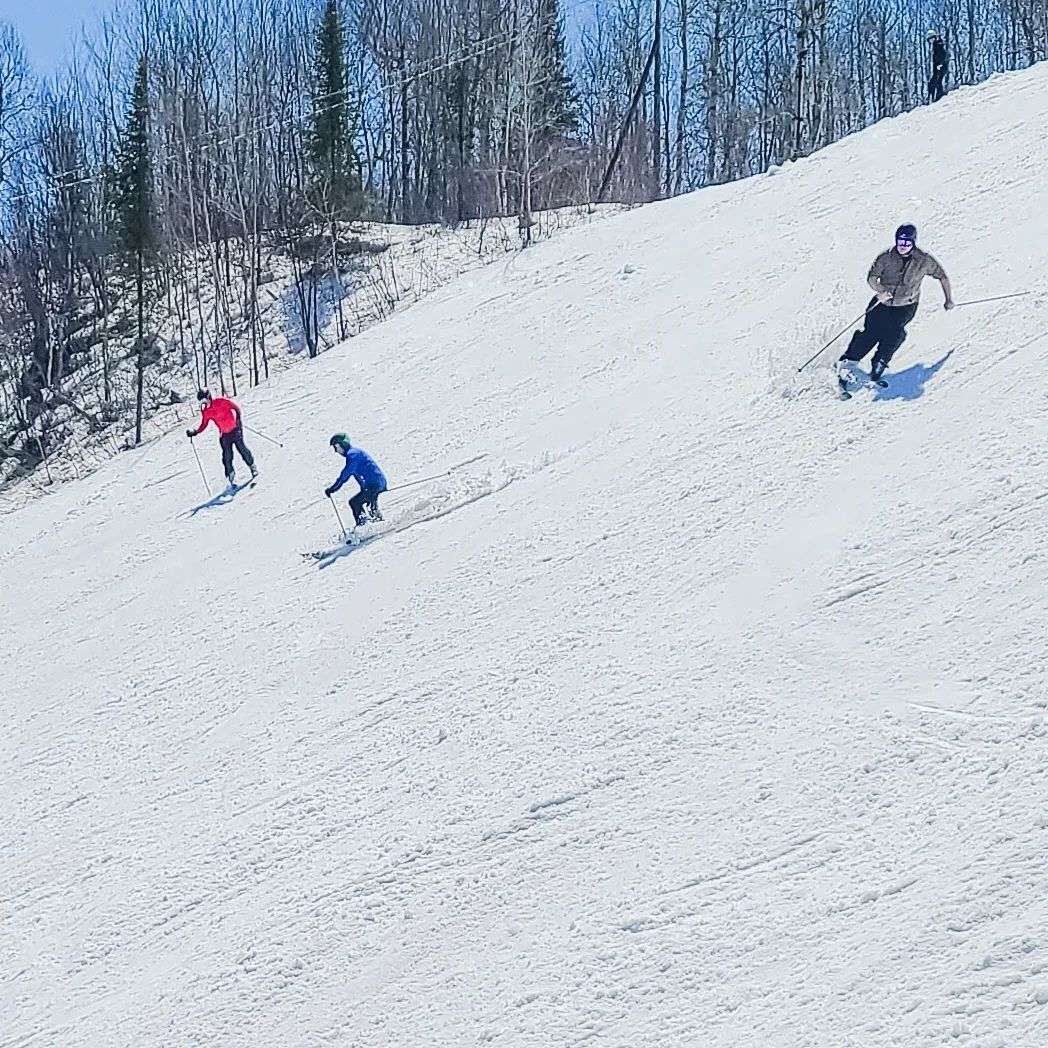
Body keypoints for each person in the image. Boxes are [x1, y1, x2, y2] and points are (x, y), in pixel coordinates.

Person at [838, 224, 954, 386]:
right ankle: (848, 361)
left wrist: (948, 299)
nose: (903, 247)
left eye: (907, 244)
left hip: (906, 306)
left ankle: (880, 362)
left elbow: (942, 277)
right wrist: (880, 290)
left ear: (913, 243)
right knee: (871, 332)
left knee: (895, 333)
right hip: (882, 303)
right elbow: (872, 277)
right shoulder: (886, 257)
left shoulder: (924, 260)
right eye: (900, 242)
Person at [186, 389, 257, 486]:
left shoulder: (221, 401)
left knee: (242, 449)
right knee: (227, 456)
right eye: (202, 402)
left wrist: (238, 419)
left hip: (235, 429)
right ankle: (231, 476)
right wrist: (195, 432)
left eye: (205, 401)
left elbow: (235, 408)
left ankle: (252, 466)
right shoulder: (206, 411)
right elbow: (204, 424)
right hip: (224, 434)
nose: (204, 403)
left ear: (209, 397)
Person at [325, 434, 388, 527]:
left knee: (355, 502)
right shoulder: (354, 453)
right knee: (367, 502)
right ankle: (376, 522)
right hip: (375, 484)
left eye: (336, 447)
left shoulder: (353, 455)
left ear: (342, 444)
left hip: (374, 485)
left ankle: (365, 526)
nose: (336, 451)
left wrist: (332, 489)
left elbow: (345, 475)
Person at [928, 32, 948, 102]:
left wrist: (940, 64)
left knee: (937, 81)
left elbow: (942, 55)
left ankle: (939, 96)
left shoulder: (938, 45)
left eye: (931, 39)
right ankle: (934, 96)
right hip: (938, 66)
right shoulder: (936, 45)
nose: (931, 41)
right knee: (934, 82)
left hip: (940, 66)